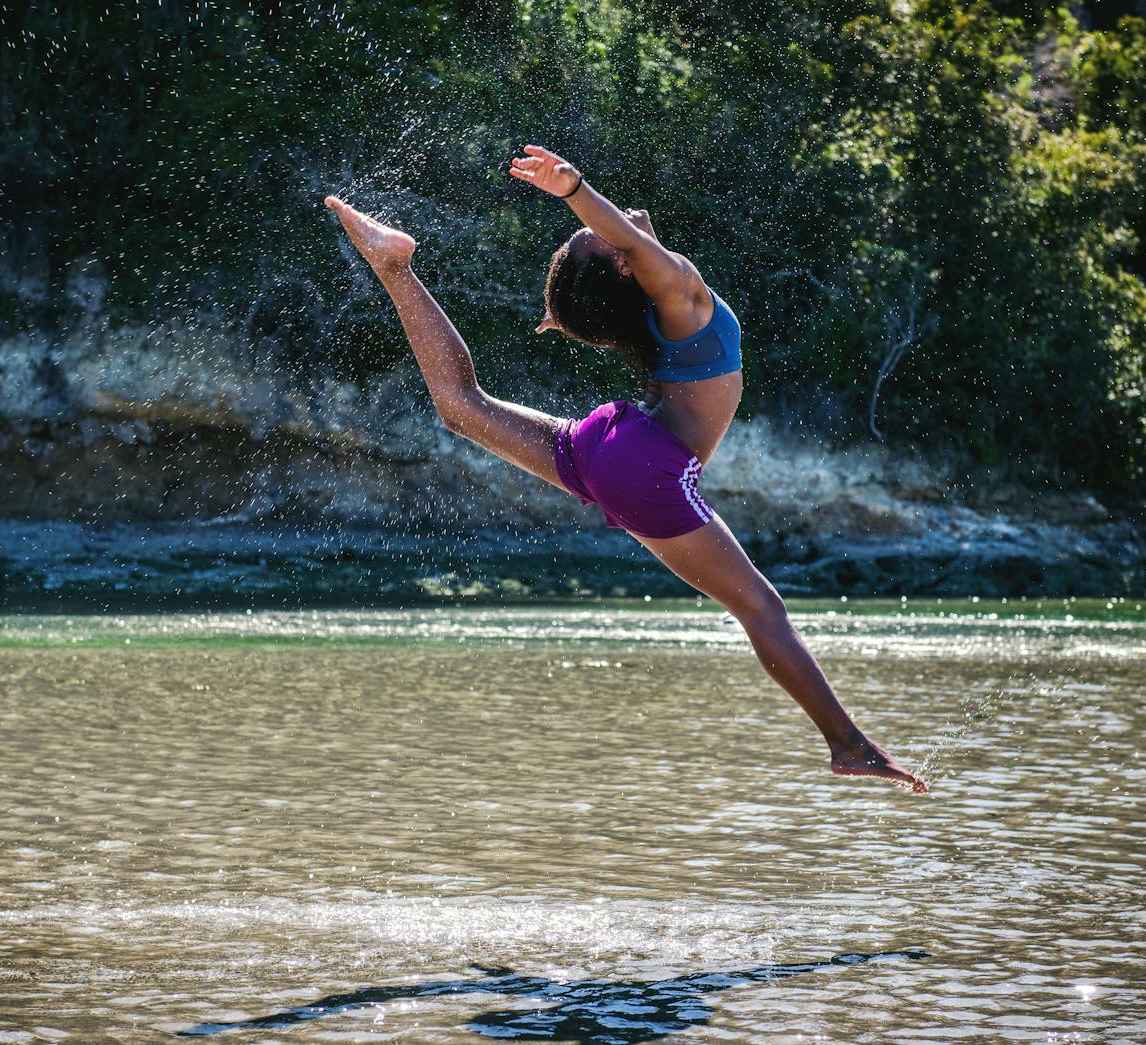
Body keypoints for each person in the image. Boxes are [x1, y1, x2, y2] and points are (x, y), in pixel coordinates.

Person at [323, 144, 927, 793]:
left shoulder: (660, 314)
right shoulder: (680, 293)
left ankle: (394, 268)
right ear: (621, 260)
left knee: (463, 406)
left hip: (610, 441)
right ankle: (849, 744)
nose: (609, 223)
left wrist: (575, 303)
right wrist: (574, 189)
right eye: (598, 235)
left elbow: (613, 277)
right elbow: (630, 247)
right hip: (641, 462)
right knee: (761, 607)